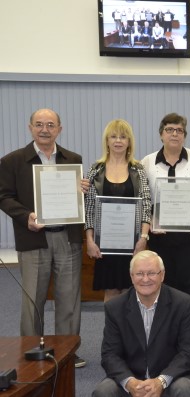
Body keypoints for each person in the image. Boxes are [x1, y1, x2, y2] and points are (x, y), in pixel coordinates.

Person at [0, 108, 87, 368]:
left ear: (59, 129)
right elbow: (3, 196)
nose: (44, 129)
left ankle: (67, 350)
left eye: (50, 124)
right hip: (33, 238)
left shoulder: (72, 159)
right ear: (30, 128)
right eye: (39, 124)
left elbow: (79, 200)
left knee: (69, 298)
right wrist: (25, 216)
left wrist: (83, 189)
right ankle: (30, 349)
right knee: (33, 300)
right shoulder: (13, 161)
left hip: (67, 237)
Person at [92, 250, 190, 397]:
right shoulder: (115, 307)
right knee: (103, 391)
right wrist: (130, 382)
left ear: (162, 275)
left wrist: (161, 381)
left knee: (184, 389)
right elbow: (110, 355)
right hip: (131, 379)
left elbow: (189, 352)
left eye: (151, 273)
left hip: (171, 378)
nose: (145, 279)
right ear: (131, 277)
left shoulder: (183, 304)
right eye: (139, 274)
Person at [85, 119, 151, 302]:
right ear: (107, 141)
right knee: (111, 292)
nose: (118, 141)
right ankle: (113, 331)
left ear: (129, 141)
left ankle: (132, 331)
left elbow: (146, 205)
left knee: (133, 292)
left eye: (123, 136)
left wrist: (143, 239)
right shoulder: (95, 170)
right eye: (113, 136)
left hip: (132, 243)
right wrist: (90, 240)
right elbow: (89, 208)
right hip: (105, 244)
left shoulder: (138, 169)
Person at [141, 113, 190, 298]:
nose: (175, 134)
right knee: (160, 281)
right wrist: (150, 220)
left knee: (187, 282)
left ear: (184, 135)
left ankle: (184, 324)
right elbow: (143, 198)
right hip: (159, 234)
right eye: (169, 130)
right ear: (161, 134)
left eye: (179, 130)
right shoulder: (146, 162)